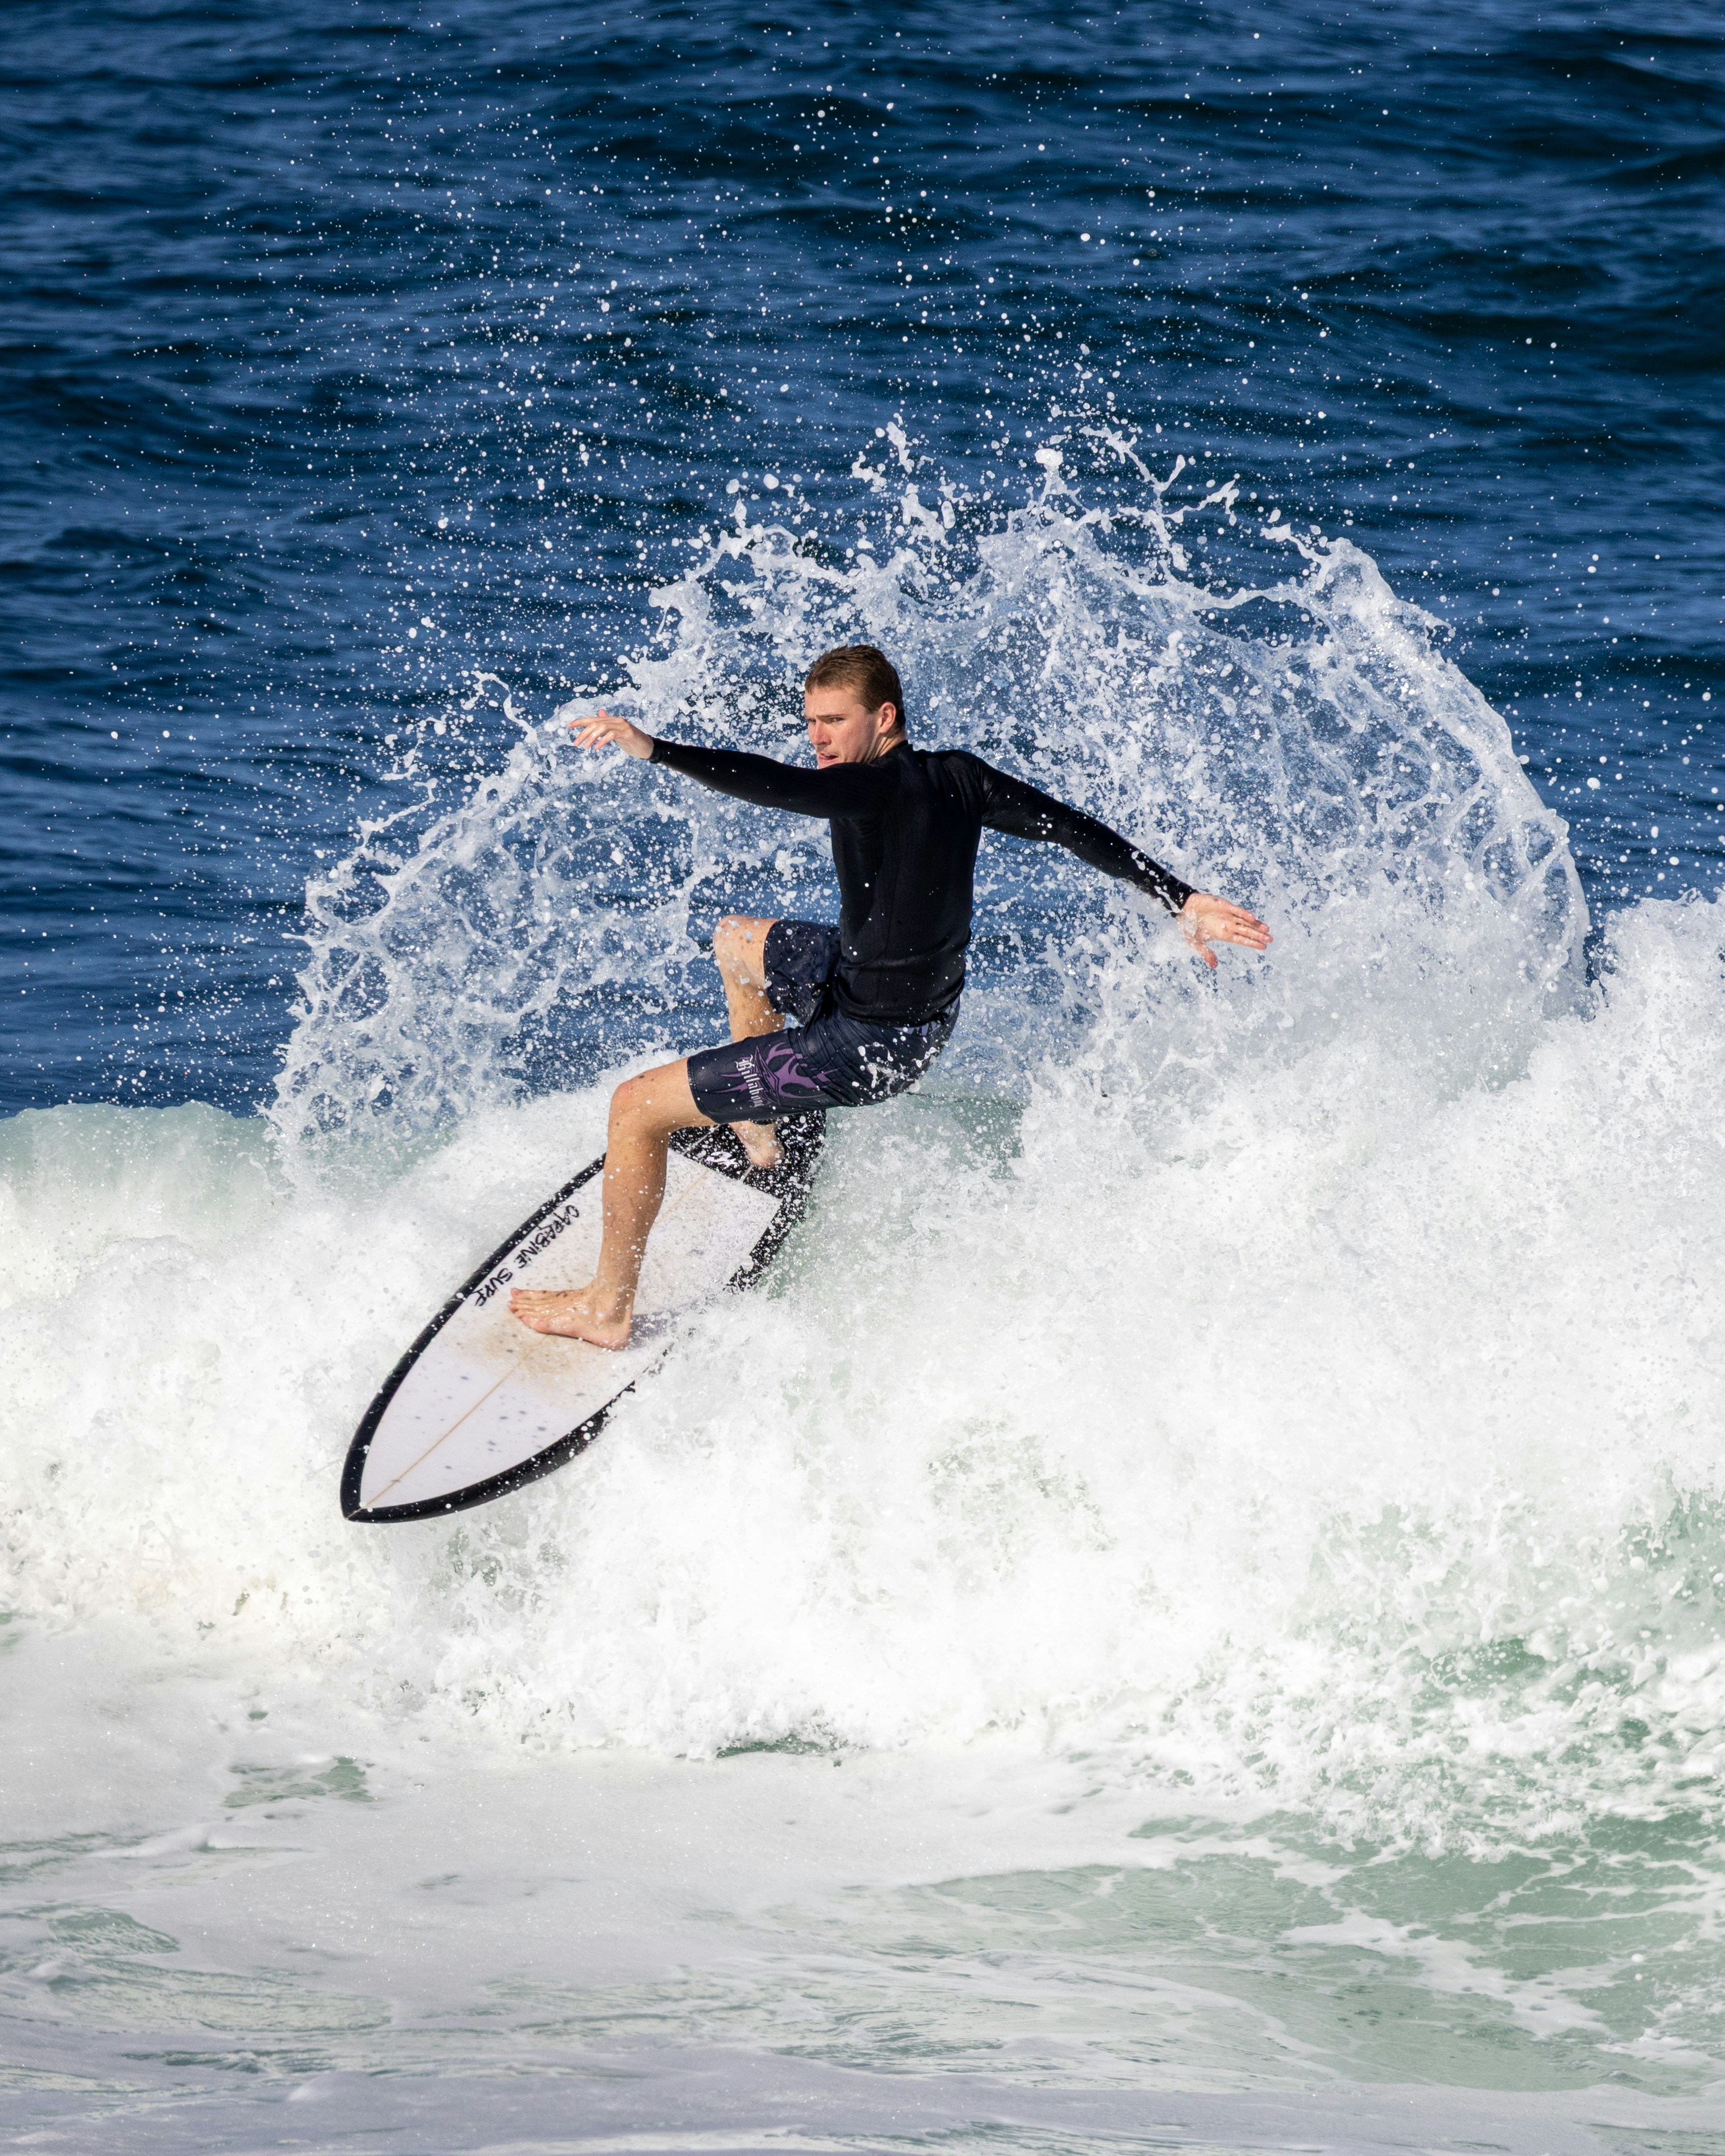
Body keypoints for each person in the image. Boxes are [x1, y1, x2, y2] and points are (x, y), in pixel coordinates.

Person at [511, 643, 1270, 1350]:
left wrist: (654, 748)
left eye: (834, 720)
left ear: (885, 719)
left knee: (635, 1108)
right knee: (738, 942)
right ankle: (761, 1122)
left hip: (864, 1046)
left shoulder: (867, 786)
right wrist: (1179, 897)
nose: (819, 737)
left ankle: (606, 1309)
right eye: (810, 722)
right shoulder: (963, 779)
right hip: (909, 1013)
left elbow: (775, 785)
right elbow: (1070, 829)